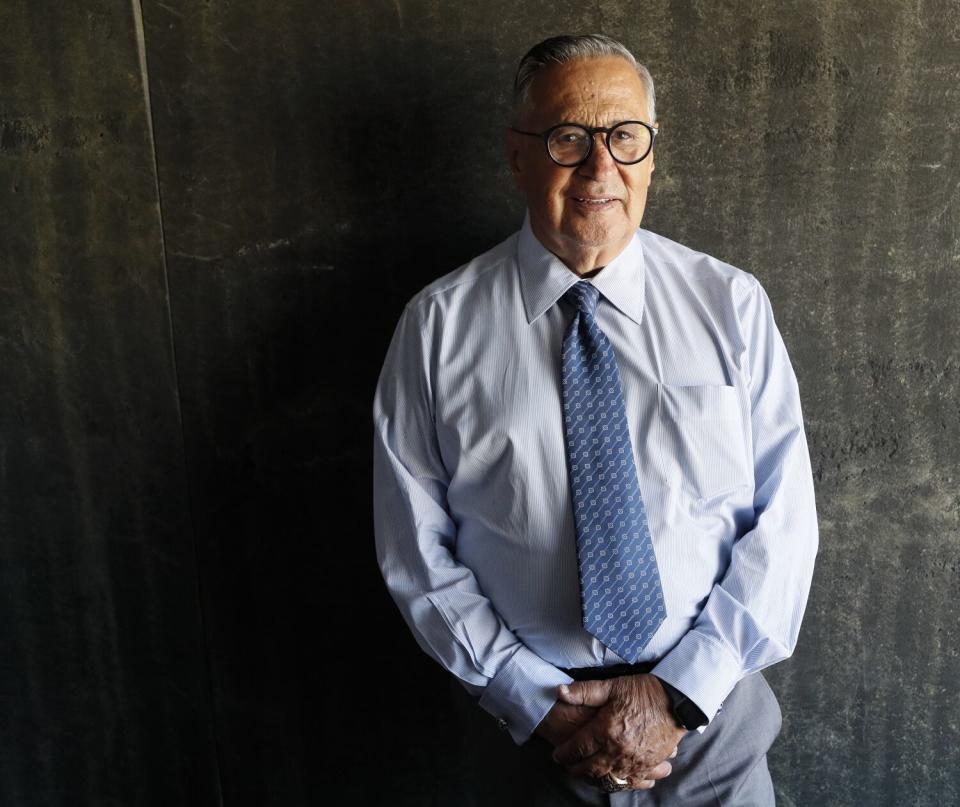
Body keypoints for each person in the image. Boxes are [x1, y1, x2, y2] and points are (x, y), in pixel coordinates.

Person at [373, 33, 818, 806]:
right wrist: (530, 698)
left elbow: (786, 525)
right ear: (518, 156)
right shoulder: (436, 327)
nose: (601, 168)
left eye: (624, 138)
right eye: (569, 138)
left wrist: (678, 695)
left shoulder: (731, 306)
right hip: (530, 744)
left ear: (649, 155)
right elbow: (415, 551)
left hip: (711, 731)